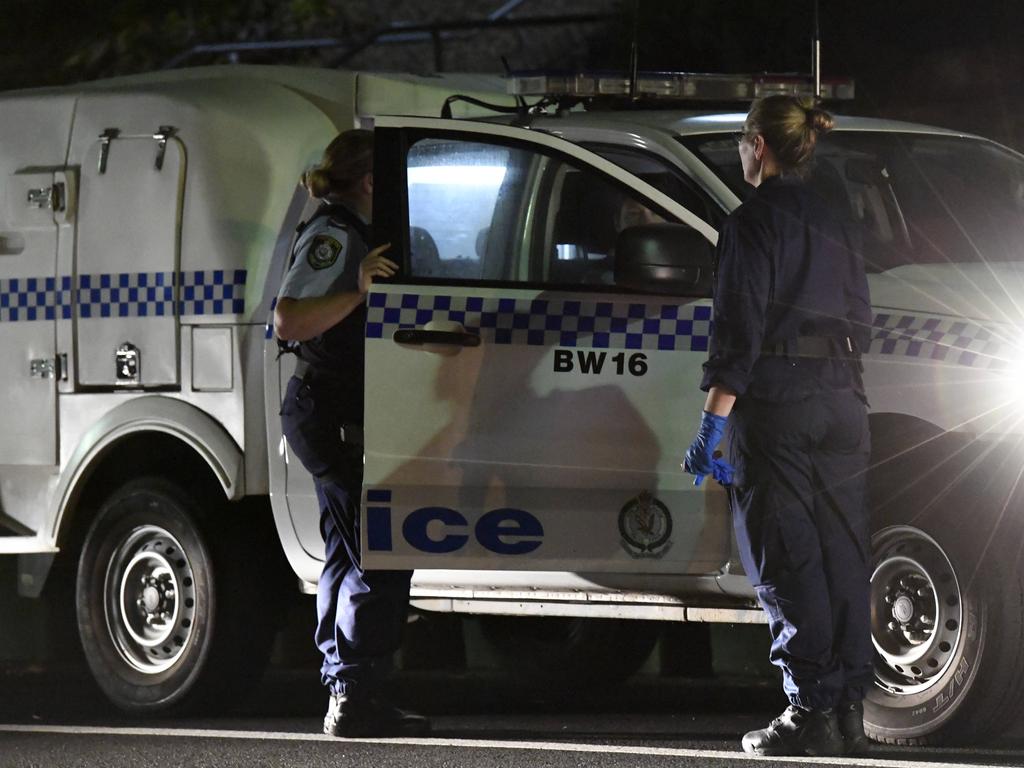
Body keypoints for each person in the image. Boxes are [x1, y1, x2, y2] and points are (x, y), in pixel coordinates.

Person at [682, 96, 873, 757]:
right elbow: (861, 318)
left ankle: (809, 711)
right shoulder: (835, 218)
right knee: (843, 554)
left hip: (779, 406)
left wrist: (709, 432)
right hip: (843, 402)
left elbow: (738, 337)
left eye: (740, 140)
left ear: (758, 146)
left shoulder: (751, 223)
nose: (740, 151)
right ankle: (849, 709)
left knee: (786, 560)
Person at [275, 129, 429, 738]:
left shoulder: (354, 233)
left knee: (358, 548)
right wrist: (356, 289)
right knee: (370, 548)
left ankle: (354, 687)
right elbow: (288, 319)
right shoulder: (334, 236)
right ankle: (351, 690)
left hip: (341, 413)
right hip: (327, 413)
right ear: (371, 182)